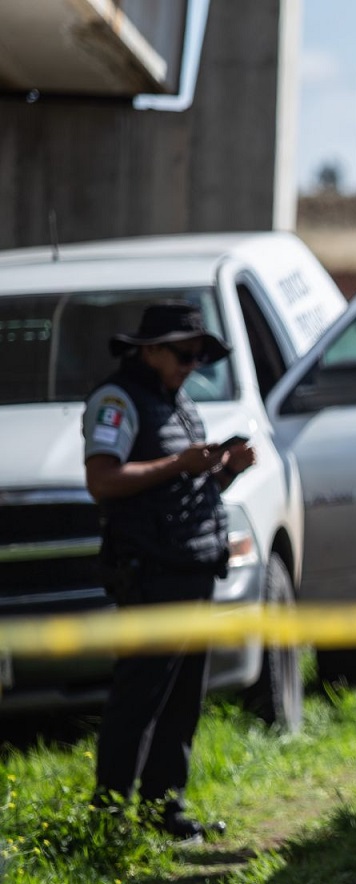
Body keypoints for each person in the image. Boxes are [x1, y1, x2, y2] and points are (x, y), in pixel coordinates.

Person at [82, 300, 254, 842]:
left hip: (192, 566)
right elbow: (103, 480)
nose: (191, 366)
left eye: (199, 356)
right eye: (183, 354)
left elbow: (182, 490)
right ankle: (109, 819)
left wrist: (222, 472)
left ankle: (165, 810)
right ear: (149, 350)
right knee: (139, 698)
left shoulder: (177, 402)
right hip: (151, 573)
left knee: (182, 699)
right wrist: (181, 464)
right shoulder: (118, 400)